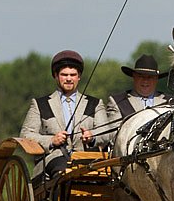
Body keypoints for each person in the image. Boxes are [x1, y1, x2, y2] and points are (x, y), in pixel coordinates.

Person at [20, 49, 109, 182]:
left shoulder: (95, 104)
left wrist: (92, 137)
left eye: (73, 75)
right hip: (53, 160)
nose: (68, 79)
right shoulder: (40, 104)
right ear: (55, 76)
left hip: (87, 159)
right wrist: (51, 141)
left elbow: (106, 133)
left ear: (79, 76)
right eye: (64, 74)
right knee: (63, 173)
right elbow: (26, 135)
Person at [106, 53, 174, 129]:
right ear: (134, 77)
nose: (145, 81)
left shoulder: (171, 102)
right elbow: (113, 134)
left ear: (156, 79)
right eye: (141, 76)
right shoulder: (118, 102)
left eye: (150, 77)